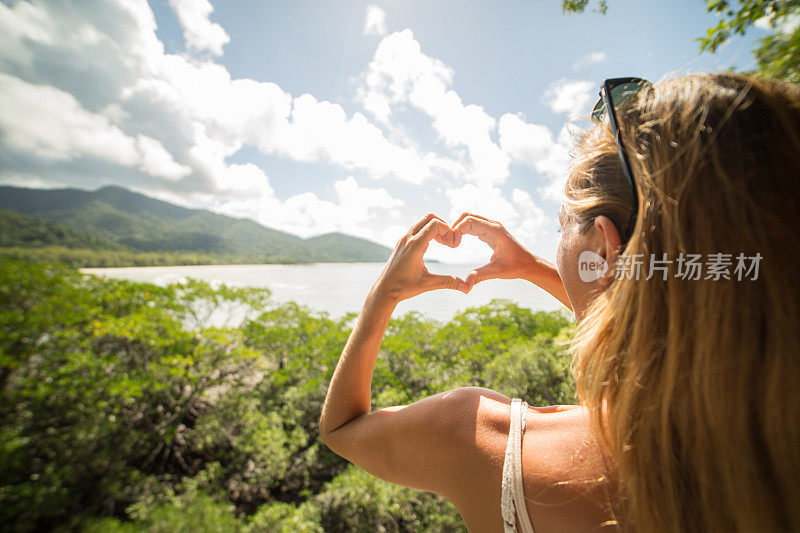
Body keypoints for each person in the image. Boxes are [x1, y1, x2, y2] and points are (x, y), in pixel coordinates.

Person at [318, 72, 800, 532]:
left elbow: (342, 428)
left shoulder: (479, 439)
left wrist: (385, 294)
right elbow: (657, 311)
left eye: (561, 223)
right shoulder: (770, 449)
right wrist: (533, 267)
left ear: (605, 247)